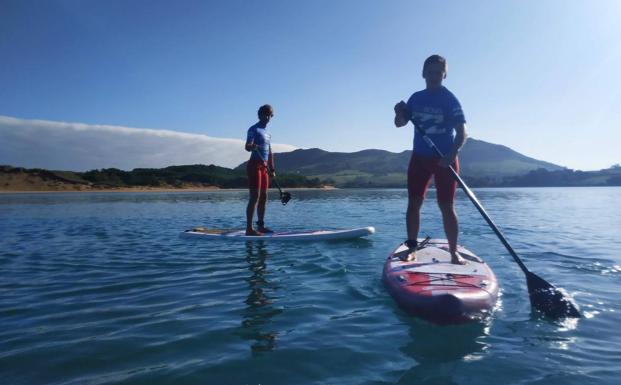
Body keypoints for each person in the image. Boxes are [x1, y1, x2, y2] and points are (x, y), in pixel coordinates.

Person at [394, 55, 468, 264]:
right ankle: (411, 248)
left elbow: (463, 132)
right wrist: (399, 112)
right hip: (419, 159)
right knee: (413, 204)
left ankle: (454, 252)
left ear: (444, 75)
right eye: (431, 72)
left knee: (446, 206)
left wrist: (452, 154)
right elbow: (400, 123)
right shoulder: (416, 98)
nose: (434, 76)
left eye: (439, 72)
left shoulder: (450, 99)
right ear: (423, 74)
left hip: (444, 159)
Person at [245, 104, 276, 236]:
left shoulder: (268, 134)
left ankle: (261, 226)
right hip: (254, 166)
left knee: (264, 196)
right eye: (265, 114)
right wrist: (252, 146)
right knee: (255, 196)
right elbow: (247, 146)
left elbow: (269, 152)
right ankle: (249, 229)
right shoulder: (254, 129)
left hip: (264, 168)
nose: (268, 117)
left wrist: (272, 168)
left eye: (270, 114)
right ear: (260, 115)